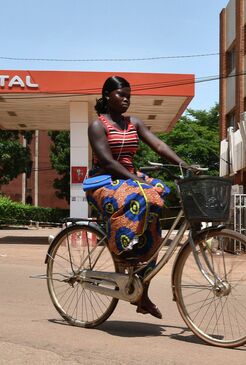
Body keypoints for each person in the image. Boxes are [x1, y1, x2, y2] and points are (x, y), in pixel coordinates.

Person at [86, 75, 189, 319]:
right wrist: (135, 180)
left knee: (159, 195)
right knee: (140, 195)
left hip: (130, 177)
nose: (125, 100)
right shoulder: (97, 126)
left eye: (128, 97)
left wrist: (184, 164)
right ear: (107, 96)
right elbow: (108, 162)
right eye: (121, 95)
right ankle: (121, 246)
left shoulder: (134, 123)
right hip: (104, 180)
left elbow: (160, 146)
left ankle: (142, 293)